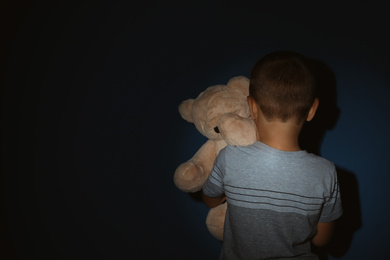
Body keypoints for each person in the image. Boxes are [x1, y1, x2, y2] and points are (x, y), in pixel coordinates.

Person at [202, 51, 343, 260]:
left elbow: (209, 201)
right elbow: (322, 240)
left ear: (252, 107)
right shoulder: (326, 173)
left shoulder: (230, 158)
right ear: (312, 109)